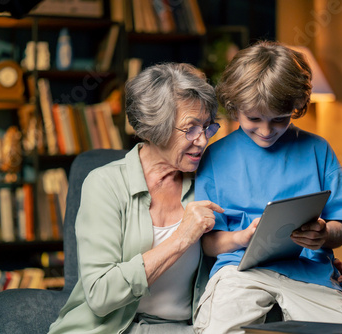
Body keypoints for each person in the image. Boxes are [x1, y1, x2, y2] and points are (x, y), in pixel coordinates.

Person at [193, 41, 342, 334]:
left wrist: (324, 234)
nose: (267, 131)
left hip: (311, 274)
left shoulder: (317, 149)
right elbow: (208, 243)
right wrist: (243, 238)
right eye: (254, 119)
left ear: (296, 108)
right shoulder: (215, 157)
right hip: (241, 270)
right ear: (234, 108)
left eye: (279, 120)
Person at [48, 62, 223, 334]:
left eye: (208, 127)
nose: (202, 141)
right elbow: (100, 294)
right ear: (156, 127)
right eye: (190, 129)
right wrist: (181, 238)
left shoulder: (207, 181)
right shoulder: (105, 184)